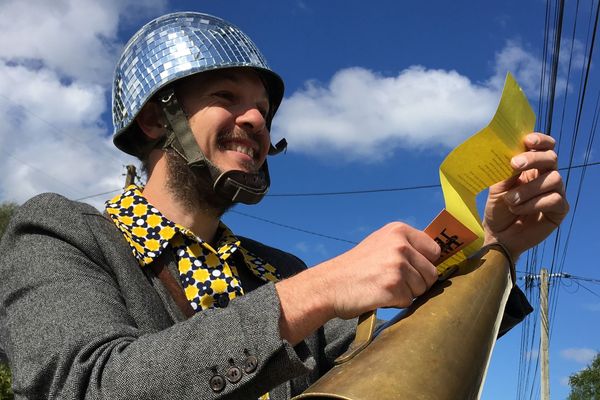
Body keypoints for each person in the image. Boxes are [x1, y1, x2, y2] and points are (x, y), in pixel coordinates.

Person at [0, 11, 568, 400]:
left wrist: (496, 246)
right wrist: (319, 289)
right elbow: (80, 386)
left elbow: (395, 359)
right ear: (156, 119)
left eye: (264, 111)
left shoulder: (275, 270)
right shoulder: (59, 231)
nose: (256, 121)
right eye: (227, 97)